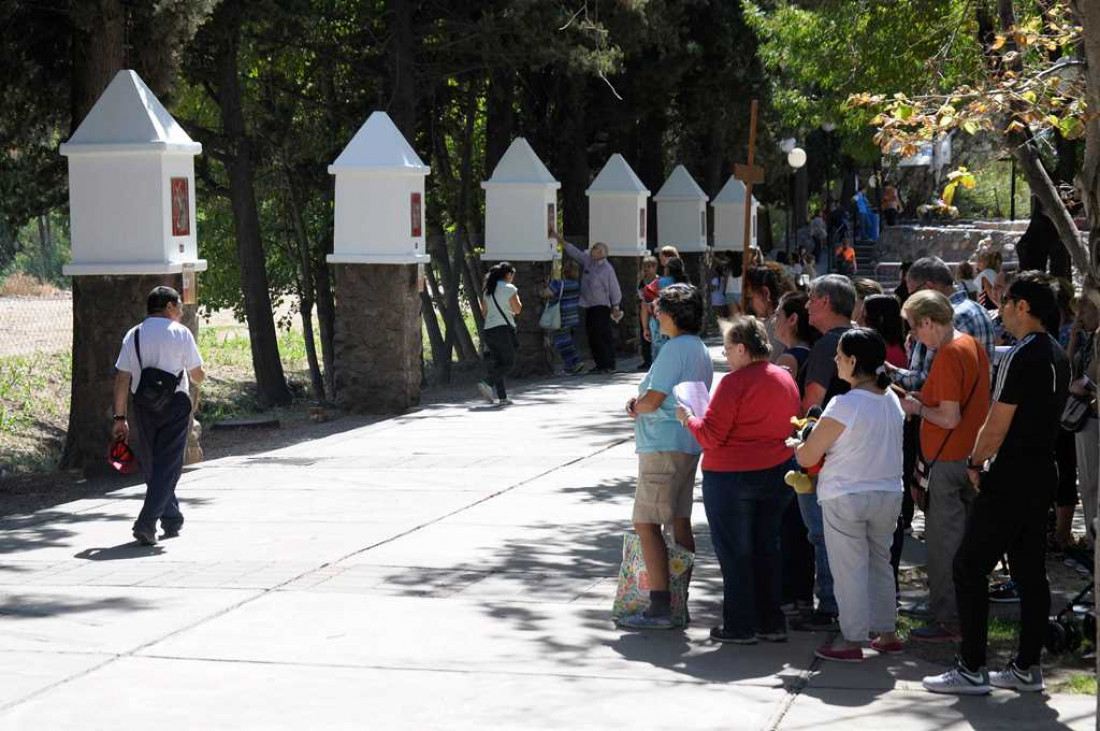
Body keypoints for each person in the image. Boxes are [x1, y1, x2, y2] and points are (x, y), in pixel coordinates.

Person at [923, 272, 1069, 695]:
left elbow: (996, 423)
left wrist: (975, 460)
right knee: (1029, 572)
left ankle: (971, 667)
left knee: (968, 566)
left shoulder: (1022, 354)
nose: (1000, 310)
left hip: (1012, 476)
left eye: (1006, 302)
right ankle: (1027, 666)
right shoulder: (1058, 352)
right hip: (1043, 472)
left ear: (1023, 307)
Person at [677, 317, 800, 643]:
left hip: (732, 476)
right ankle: (770, 622)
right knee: (767, 549)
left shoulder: (734, 383)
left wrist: (689, 418)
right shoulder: (785, 379)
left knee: (736, 554)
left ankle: (740, 625)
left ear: (743, 348)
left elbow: (711, 436)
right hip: (775, 470)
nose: (726, 355)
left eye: (728, 348)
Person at [795, 328, 905, 661]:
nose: (835, 361)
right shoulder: (892, 400)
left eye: (840, 356)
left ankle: (852, 638)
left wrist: (800, 441)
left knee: (849, 570)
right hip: (887, 492)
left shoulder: (843, 404)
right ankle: (886, 631)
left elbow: (808, 456)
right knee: (880, 564)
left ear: (853, 361)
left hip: (847, 494)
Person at [618, 284, 714, 630]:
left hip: (662, 444)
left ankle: (660, 606)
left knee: (646, 522)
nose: (656, 316)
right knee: (679, 520)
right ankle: (678, 597)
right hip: (687, 442)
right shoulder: (700, 348)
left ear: (672, 314)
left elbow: (652, 399)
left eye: (659, 311)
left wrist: (633, 405)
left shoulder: (674, 350)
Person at [899, 290, 991, 643]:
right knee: (962, 544)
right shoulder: (970, 344)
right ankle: (955, 612)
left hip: (949, 459)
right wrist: (927, 400)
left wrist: (917, 409)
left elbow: (949, 418)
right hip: (967, 457)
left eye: (915, 329)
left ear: (927, 322)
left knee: (944, 545)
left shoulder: (950, 353)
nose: (915, 337)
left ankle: (948, 619)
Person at [112, 286, 205, 545]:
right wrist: (202, 376)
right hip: (175, 404)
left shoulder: (134, 335)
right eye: (179, 307)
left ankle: (172, 517)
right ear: (169, 307)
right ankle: (146, 523)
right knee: (169, 465)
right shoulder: (181, 333)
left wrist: (120, 418)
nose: (181, 311)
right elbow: (197, 374)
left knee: (154, 463)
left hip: (143, 406)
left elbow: (122, 378)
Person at [791, 274, 858, 631]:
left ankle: (830, 604)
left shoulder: (825, 348)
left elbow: (811, 403)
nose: (806, 305)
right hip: (860, 453)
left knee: (821, 532)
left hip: (824, 455)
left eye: (811, 298)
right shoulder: (864, 338)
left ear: (827, 302)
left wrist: (799, 441)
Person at [771, 291, 818, 619]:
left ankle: (790, 597)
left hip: (787, 448)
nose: (773, 319)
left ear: (792, 320)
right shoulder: (809, 353)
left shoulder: (789, 360)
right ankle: (800, 595)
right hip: (802, 449)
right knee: (800, 529)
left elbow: (777, 407)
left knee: (788, 529)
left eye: (779, 313)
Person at [887, 256, 995, 392]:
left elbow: (926, 382)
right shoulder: (979, 309)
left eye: (913, 294)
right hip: (975, 407)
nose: (911, 300)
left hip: (945, 409)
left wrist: (890, 371)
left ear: (929, 287)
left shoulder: (944, 319)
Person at [561, 237, 622, 374]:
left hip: (601, 307)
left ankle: (607, 364)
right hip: (589, 306)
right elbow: (575, 253)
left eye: (594, 248)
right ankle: (600, 364)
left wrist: (616, 305)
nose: (591, 250)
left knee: (602, 335)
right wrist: (561, 241)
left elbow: (614, 288)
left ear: (601, 252)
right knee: (592, 335)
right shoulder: (589, 261)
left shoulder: (607, 269)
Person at [1068, 295, 1100, 546]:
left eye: (1085, 311)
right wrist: (1073, 339)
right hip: (1083, 417)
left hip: (1093, 413)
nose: (1080, 317)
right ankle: (1091, 536)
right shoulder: (1086, 340)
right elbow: (1071, 368)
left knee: (1093, 482)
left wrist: (1088, 387)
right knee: (1087, 481)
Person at [478, 262, 522, 405]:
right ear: (508, 275)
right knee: (509, 363)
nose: (512, 279)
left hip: (489, 330)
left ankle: (502, 397)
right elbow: (518, 310)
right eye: (512, 276)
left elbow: (484, 313)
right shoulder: (509, 288)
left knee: (499, 364)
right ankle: (487, 382)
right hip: (503, 330)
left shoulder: (487, 291)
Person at [746, 263, 795, 363]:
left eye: (751, 298)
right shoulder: (777, 321)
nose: (750, 305)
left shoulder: (777, 325)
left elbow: (764, 366)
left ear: (765, 293)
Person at [642, 257, 689, 359]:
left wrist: (645, 327)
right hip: (680, 323)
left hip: (660, 322)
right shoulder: (686, 285)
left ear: (667, 269)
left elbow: (646, 302)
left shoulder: (658, 283)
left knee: (659, 355)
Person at [543, 259, 583, 375]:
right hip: (572, 316)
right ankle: (571, 364)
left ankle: (574, 363)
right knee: (568, 340)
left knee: (562, 342)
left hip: (560, 317)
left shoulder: (558, 283)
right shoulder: (576, 284)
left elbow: (546, 293)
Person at [859, 294, 907, 368]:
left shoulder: (883, 355)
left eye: (864, 317)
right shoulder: (902, 349)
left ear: (880, 320)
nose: (858, 321)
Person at [637, 256, 659, 370]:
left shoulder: (658, 281)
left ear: (655, 267)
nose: (646, 269)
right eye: (644, 266)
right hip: (644, 311)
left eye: (649, 266)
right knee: (644, 336)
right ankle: (647, 360)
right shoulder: (642, 281)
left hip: (654, 312)